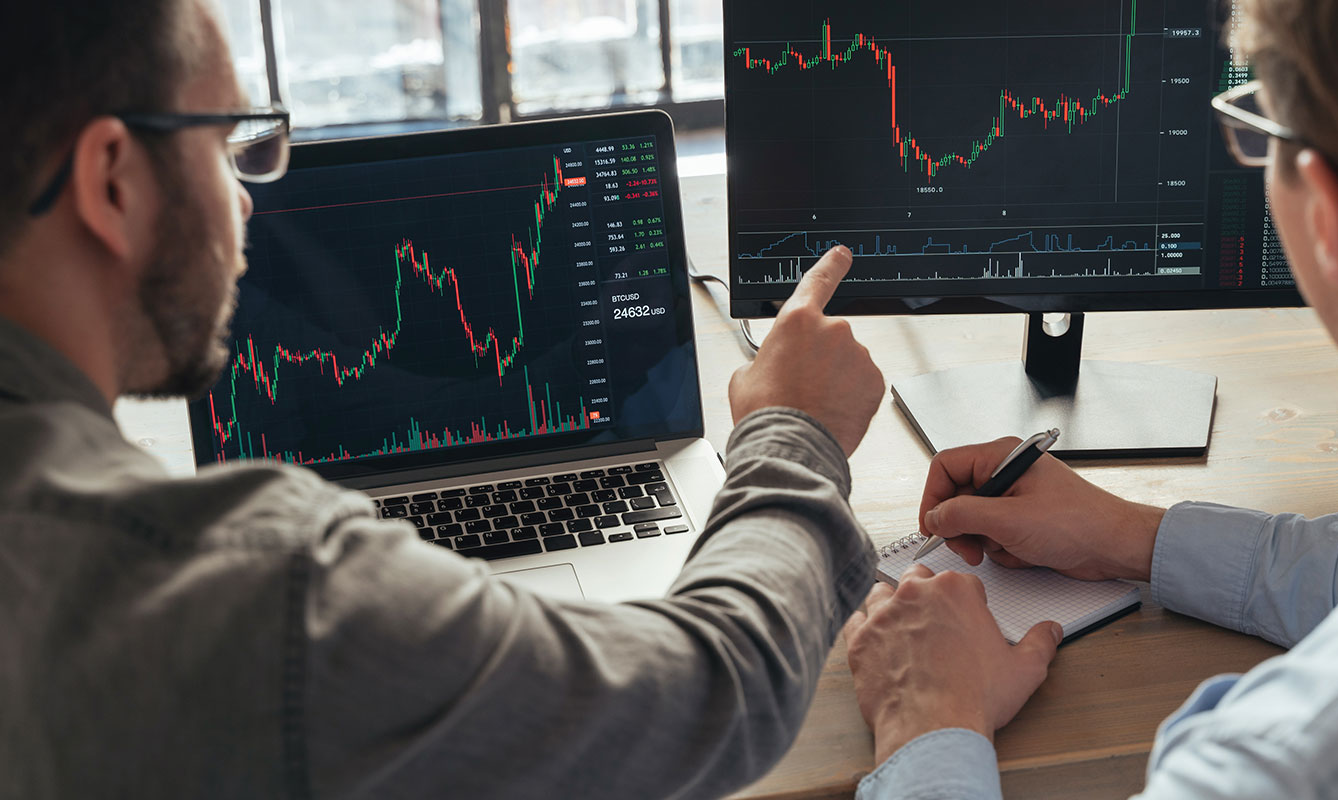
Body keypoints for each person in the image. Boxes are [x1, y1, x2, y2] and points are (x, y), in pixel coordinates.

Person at [0, 1, 887, 797]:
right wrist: (794, 428)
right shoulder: (257, 587)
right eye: (225, 143)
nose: (242, 199)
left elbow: (379, 390)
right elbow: (713, 696)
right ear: (112, 179)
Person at [843, 0, 1338, 797]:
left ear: (1333, 214)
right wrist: (1131, 536)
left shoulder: (1309, 760)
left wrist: (925, 721)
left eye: (1261, 128)